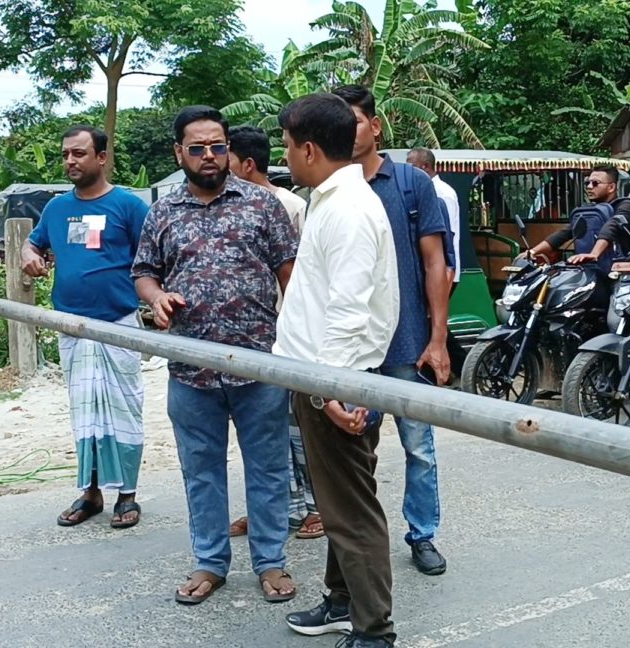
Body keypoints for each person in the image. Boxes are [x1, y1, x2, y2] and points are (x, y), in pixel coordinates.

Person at [131, 105, 299, 605]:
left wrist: (297, 344)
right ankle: (210, 561)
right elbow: (143, 271)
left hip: (259, 364)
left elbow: (291, 275)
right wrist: (156, 297)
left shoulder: (261, 205)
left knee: (269, 467)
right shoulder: (162, 211)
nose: (209, 156)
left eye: (218, 146)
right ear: (179, 152)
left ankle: (271, 562)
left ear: (230, 149)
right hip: (190, 370)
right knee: (200, 469)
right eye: (198, 148)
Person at [273, 92, 401, 648]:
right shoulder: (331, 197)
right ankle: (343, 600)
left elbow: (348, 311)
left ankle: (374, 631)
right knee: (338, 500)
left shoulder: (346, 208)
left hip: (337, 381)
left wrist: (330, 390)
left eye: (285, 144)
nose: (285, 154)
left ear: (307, 147)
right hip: (321, 377)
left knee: (351, 511)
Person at [332, 84, 451, 576]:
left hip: (406, 344)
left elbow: (434, 263)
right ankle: (363, 541)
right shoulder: (330, 188)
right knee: (357, 452)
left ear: (375, 127)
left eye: (354, 121)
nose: (346, 131)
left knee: (418, 447)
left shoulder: (409, 184)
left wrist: (438, 338)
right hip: (356, 349)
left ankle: (422, 534)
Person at [22, 124, 148, 530]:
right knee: (85, 413)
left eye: (79, 153)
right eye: (66, 155)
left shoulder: (128, 206)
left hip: (118, 327)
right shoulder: (57, 208)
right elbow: (33, 242)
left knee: (124, 410)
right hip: (72, 328)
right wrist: (30, 254)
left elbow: (155, 255)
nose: (71, 162)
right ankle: (91, 493)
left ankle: (127, 495)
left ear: (102, 157)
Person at [226, 125, 323, 541]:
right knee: (265, 431)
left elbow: (301, 273)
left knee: (299, 426)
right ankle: (276, 507)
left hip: (288, 333)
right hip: (252, 337)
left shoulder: (288, 205)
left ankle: (316, 507)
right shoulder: (229, 206)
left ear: (247, 165)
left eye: (227, 159)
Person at [523, 164, 630, 270]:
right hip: (591, 269)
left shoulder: (626, 205)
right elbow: (564, 233)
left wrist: (594, 254)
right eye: (587, 183)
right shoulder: (590, 210)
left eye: (595, 183)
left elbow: (612, 226)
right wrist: (532, 252)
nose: (589, 187)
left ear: (611, 187)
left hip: (619, 270)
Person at [407, 147, 462, 288]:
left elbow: (447, 234)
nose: (408, 172)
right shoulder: (421, 190)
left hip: (443, 269)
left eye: (411, 166)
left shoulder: (443, 193)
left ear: (425, 166)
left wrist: (446, 272)